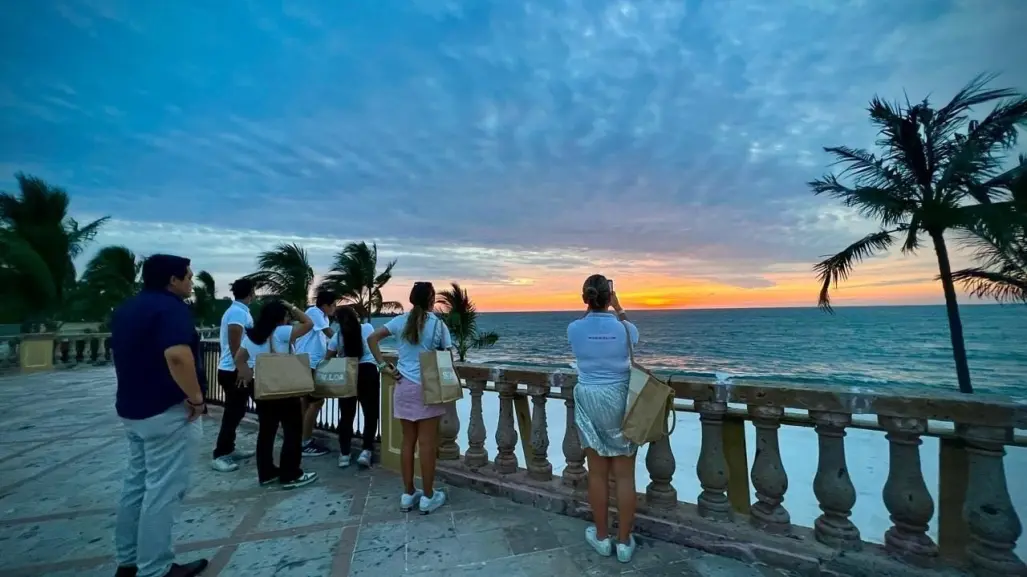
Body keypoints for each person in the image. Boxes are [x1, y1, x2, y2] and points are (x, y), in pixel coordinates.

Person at [111, 254, 209, 577]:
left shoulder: (127, 309)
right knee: (163, 491)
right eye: (189, 277)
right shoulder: (171, 310)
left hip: (133, 410)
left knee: (136, 485)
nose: (191, 282)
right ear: (173, 280)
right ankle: (155, 568)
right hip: (165, 412)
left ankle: (128, 560)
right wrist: (195, 398)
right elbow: (178, 356)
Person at [567, 274, 639, 563]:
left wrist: (595, 307)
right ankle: (623, 543)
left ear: (585, 297)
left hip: (589, 397)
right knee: (624, 475)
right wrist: (618, 309)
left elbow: (584, 329)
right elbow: (631, 339)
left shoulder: (574, 328)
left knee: (596, 472)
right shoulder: (625, 328)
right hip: (620, 397)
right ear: (610, 297)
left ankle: (601, 536)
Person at [367, 281, 450, 514]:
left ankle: (407, 493)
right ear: (431, 300)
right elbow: (447, 356)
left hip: (403, 386)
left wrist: (383, 365)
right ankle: (429, 496)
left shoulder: (399, 321)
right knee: (426, 445)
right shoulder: (438, 325)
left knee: (407, 442)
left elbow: (371, 339)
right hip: (428, 389)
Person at [233, 300, 319, 489]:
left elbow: (239, 358)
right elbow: (309, 324)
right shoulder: (280, 332)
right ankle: (291, 474)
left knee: (266, 433)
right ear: (280, 317)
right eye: (286, 316)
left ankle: (266, 473)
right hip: (284, 389)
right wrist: (292, 306)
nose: (288, 318)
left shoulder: (252, 336)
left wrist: (245, 372)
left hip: (262, 388)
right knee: (292, 431)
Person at [326, 305, 380, 469]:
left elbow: (328, 357)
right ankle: (366, 450)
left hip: (347, 374)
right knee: (370, 414)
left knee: (347, 415)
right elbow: (374, 343)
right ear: (355, 315)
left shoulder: (337, 336)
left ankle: (344, 454)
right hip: (368, 372)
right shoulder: (368, 327)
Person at [211, 278, 256, 473]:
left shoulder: (239, 310)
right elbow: (234, 342)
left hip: (235, 370)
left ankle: (229, 449)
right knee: (232, 413)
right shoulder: (237, 312)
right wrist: (242, 368)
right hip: (234, 371)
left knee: (236, 411)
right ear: (250, 293)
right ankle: (220, 455)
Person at [293, 290, 337, 457]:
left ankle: (301, 439)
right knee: (316, 402)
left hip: (309, 363)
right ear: (325, 305)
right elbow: (330, 334)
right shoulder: (314, 312)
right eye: (333, 305)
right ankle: (305, 442)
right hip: (308, 363)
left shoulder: (322, 316)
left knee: (306, 402)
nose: (334, 308)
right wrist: (344, 341)